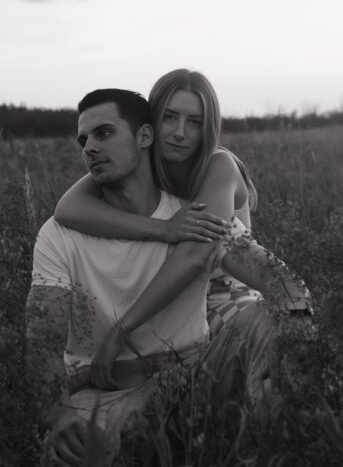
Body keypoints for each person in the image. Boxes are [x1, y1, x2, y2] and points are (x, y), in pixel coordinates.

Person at [29, 88, 313, 467]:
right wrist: (57, 413)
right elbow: (40, 338)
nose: (90, 147)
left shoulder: (196, 217)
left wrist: (303, 329)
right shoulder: (60, 234)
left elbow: (280, 281)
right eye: (84, 140)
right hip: (106, 391)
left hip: (192, 379)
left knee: (265, 322)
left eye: (104, 133)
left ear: (144, 137)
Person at [54, 69, 311, 388]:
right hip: (164, 303)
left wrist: (121, 330)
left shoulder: (219, 166)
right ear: (149, 125)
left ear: (209, 128)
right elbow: (68, 208)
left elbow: (194, 257)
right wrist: (162, 228)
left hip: (222, 296)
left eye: (194, 122)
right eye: (170, 117)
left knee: (264, 339)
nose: (179, 133)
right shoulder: (136, 160)